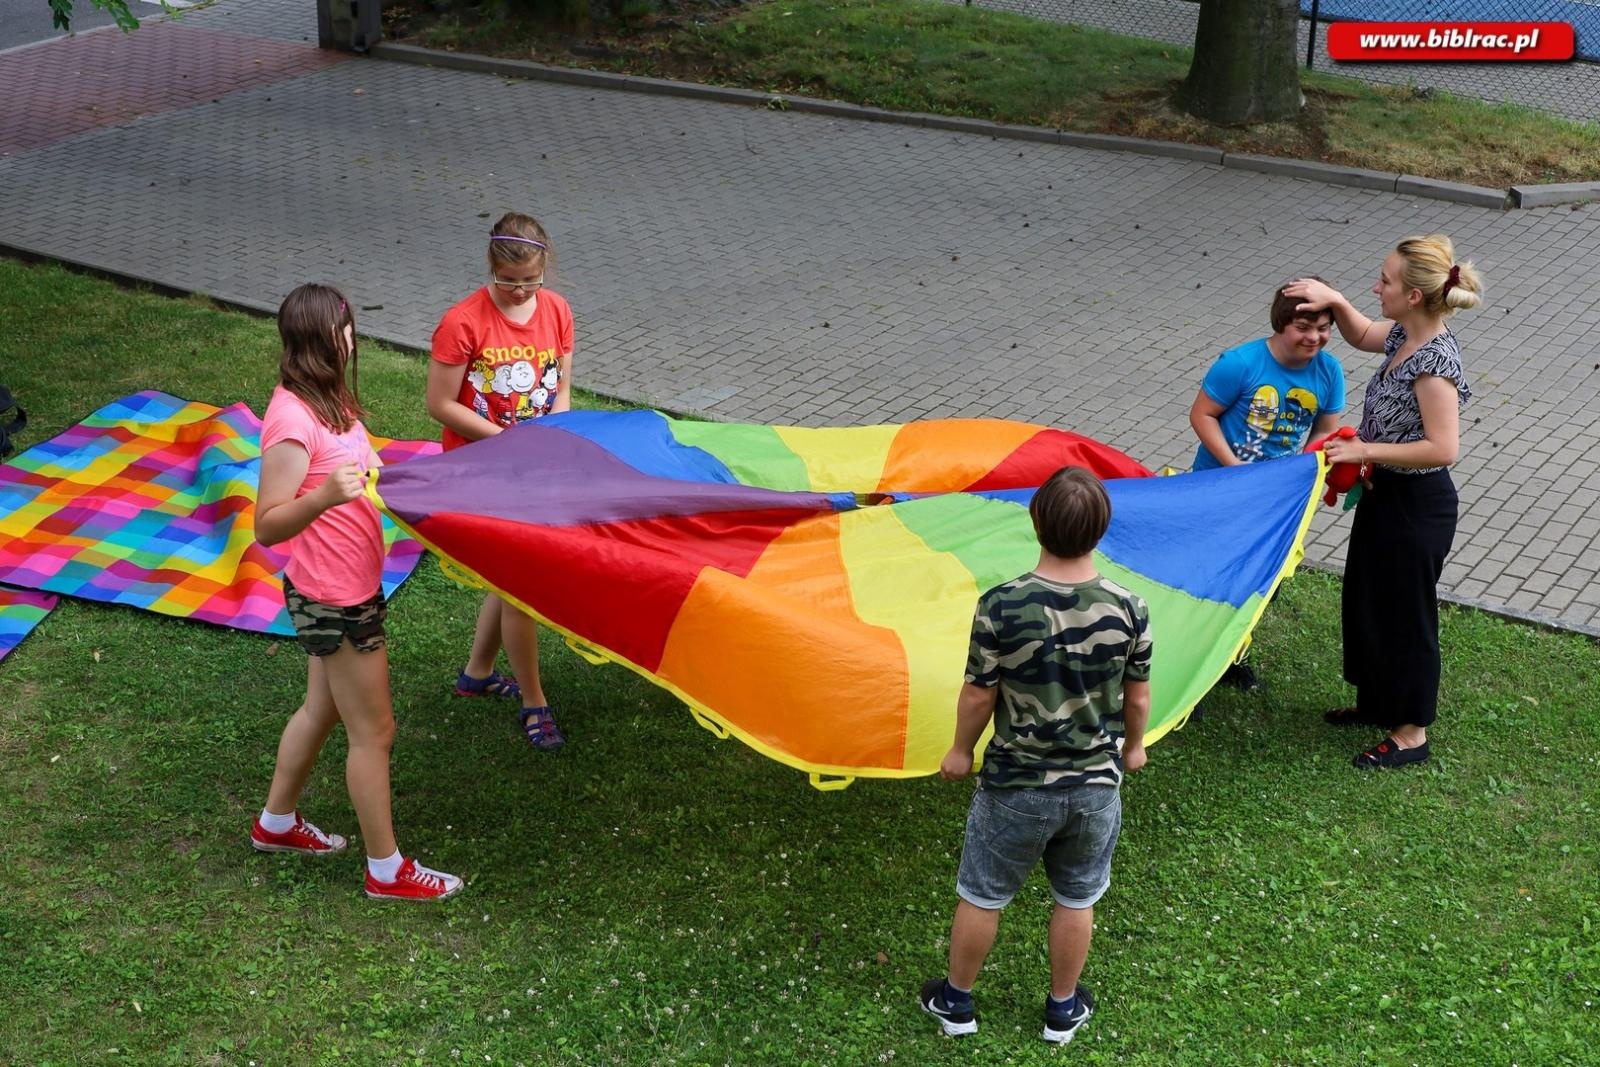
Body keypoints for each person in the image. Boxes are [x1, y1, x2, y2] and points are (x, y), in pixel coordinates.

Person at [921, 466, 1152, 1044]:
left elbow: (979, 693)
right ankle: (1062, 1009)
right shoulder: (1130, 607)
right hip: (1096, 788)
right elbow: (1138, 694)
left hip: (1016, 787)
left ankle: (957, 1003)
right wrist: (1136, 748)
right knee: (1077, 897)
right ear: (1101, 531)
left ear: (1035, 522)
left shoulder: (1001, 605)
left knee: (984, 893)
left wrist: (958, 751)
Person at [251, 283, 462, 901]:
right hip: (335, 601)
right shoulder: (291, 420)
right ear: (319, 339)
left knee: (323, 710)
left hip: (345, 588)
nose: (353, 340)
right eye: (344, 331)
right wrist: (322, 497)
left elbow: (366, 468)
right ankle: (386, 869)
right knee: (376, 732)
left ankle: (276, 824)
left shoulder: (331, 399)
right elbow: (267, 525)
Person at [1282, 235, 1482, 770]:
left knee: (1406, 615)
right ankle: (1377, 705)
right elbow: (1362, 333)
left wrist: (1363, 447)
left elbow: (1445, 448)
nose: (1377, 286)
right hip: (1385, 494)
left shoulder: (1434, 363)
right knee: (1369, 599)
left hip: (1419, 506)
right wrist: (1336, 299)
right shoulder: (1401, 334)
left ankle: (1411, 732)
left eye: (1385, 281)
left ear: (1414, 296)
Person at [425, 212, 574, 750]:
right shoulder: (462, 322)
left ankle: (479, 672)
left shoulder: (557, 309)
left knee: (510, 577)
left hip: (533, 464)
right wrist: (506, 441)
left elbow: (560, 386)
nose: (519, 292)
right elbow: (439, 404)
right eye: (508, 281)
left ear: (543, 269)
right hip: (482, 468)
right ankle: (535, 702)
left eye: (529, 281)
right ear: (491, 267)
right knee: (521, 582)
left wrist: (551, 432)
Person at [1188, 279, 1347, 691]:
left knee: (1261, 582)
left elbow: (1324, 432)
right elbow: (1202, 415)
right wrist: (1234, 466)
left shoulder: (1329, 371)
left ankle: (1230, 656)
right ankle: (1193, 666)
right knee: (1206, 581)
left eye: (1324, 327)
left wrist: (1296, 470)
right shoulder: (1240, 364)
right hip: (1219, 491)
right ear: (1281, 323)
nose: (1315, 337)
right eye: (1304, 328)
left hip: (1274, 501)